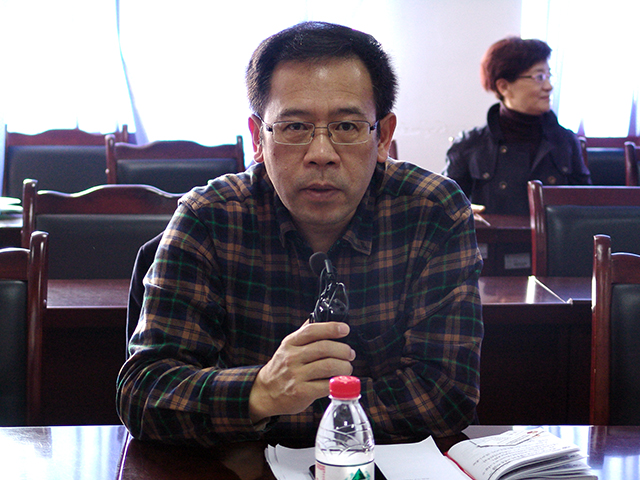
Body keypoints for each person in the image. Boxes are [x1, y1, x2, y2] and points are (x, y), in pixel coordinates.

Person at [117, 21, 483, 447]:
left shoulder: (433, 211)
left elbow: (448, 395)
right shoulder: (209, 218)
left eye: (346, 127)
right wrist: (262, 391)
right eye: (294, 127)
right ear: (258, 138)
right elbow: (143, 393)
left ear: (382, 136)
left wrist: (276, 406)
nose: (321, 154)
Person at [443, 36, 591, 216]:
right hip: (492, 236)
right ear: (504, 87)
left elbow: (585, 209)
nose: (549, 86)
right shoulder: (469, 145)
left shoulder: (566, 141)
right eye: (539, 77)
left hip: (553, 236)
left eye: (549, 75)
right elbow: (445, 210)